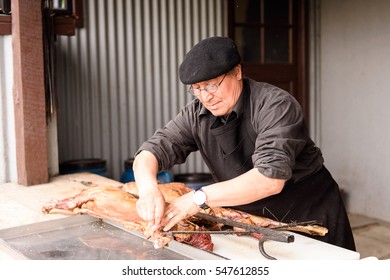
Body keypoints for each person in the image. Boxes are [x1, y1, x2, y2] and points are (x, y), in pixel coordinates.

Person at [133, 36, 356, 251]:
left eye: (211, 85)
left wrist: (198, 198)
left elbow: (270, 179)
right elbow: (149, 153)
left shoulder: (275, 105)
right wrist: (148, 190)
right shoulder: (196, 114)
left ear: (237, 72)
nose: (205, 97)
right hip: (250, 221)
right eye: (197, 88)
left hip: (307, 215)